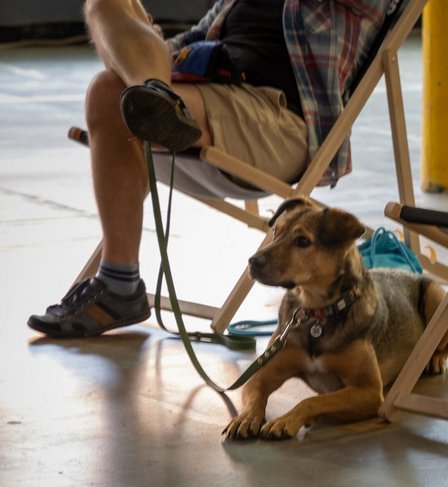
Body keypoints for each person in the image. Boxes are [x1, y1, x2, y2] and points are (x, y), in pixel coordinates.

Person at [28, 0, 394, 338]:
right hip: (206, 92)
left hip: (278, 119)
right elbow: (196, 37)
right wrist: (145, 51)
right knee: (106, 31)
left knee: (113, 101)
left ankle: (151, 107)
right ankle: (154, 97)